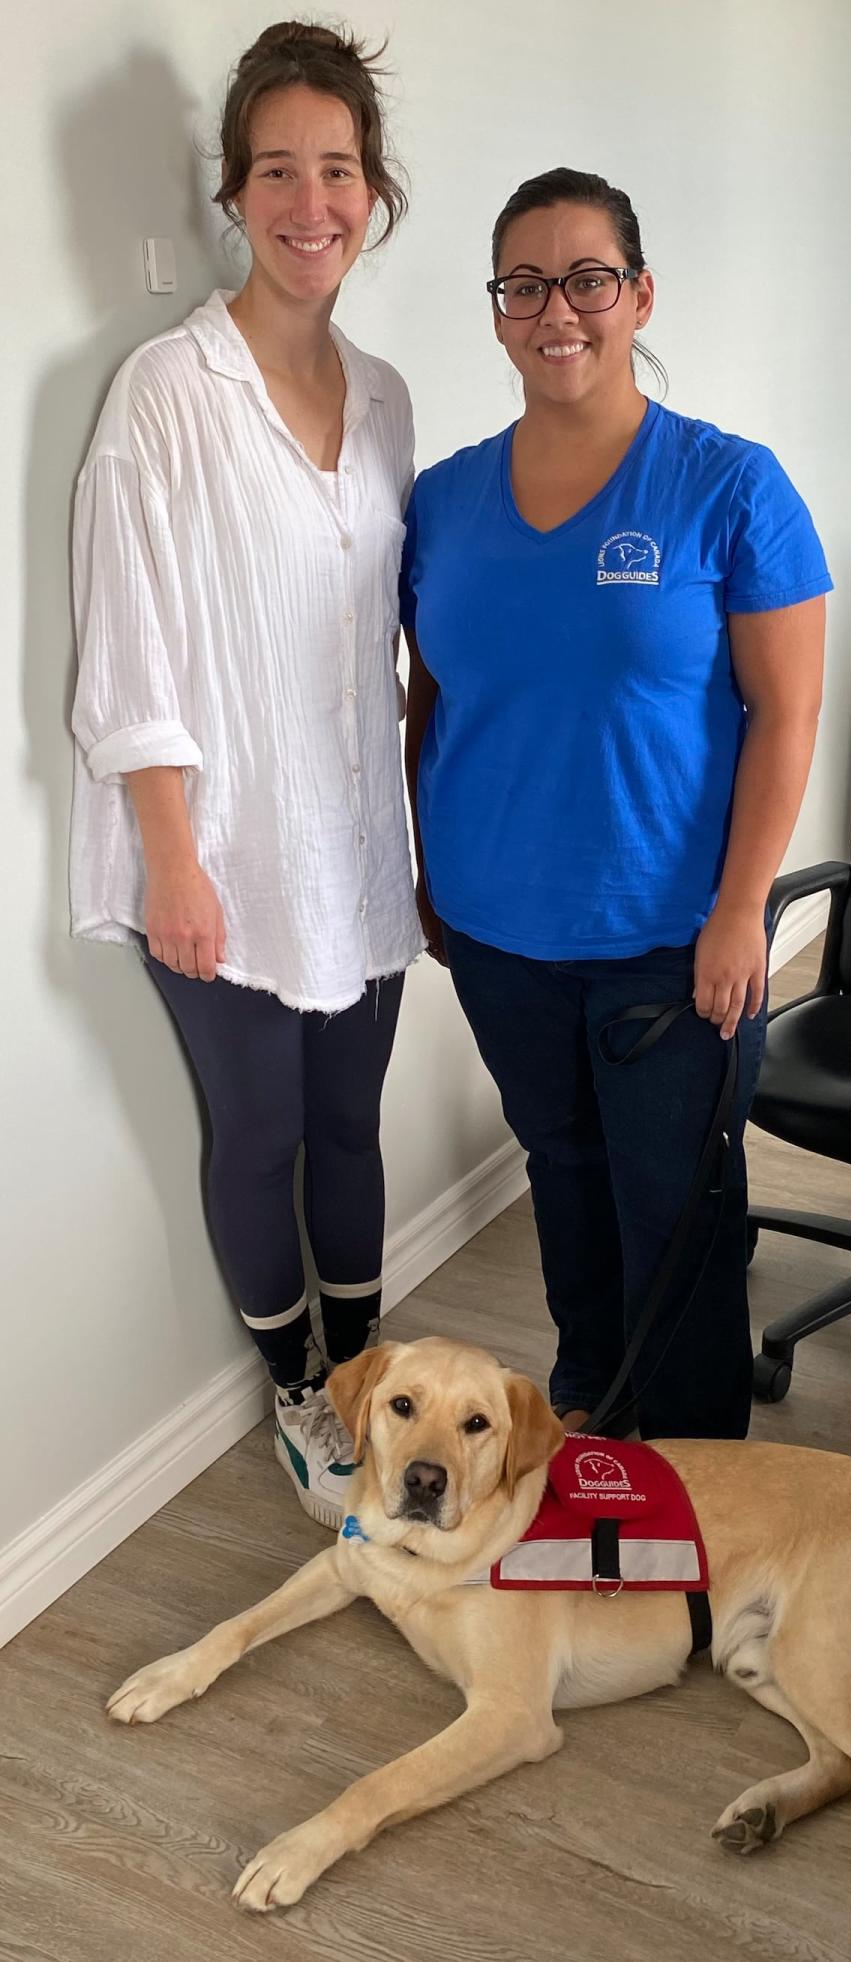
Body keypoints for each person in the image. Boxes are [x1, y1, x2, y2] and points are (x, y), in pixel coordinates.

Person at [401, 168, 830, 1441]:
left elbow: (787, 714)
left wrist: (743, 906)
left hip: (668, 932)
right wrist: (429, 877)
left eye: (589, 278)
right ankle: (588, 1403)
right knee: (567, 1177)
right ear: (496, 312)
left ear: (639, 294)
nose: (558, 311)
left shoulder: (729, 487)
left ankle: (697, 1471)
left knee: (678, 1206)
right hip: (494, 930)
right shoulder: (442, 502)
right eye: (523, 285)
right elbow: (434, 702)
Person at [70, 21, 423, 1527]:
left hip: (357, 839)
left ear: (373, 190)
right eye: (277, 169)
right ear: (233, 190)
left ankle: (359, 1365)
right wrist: (174, 859)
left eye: (336, 169)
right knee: (262, 1133)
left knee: (352, 1127)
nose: (310, 200)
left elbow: (403, 635)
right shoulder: (165, 391)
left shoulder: (394, 396)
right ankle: (298, 1394)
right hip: (217, 846)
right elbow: (128, 648)